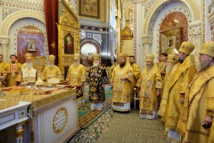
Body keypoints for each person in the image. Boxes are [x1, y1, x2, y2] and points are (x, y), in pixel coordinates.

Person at [175, 42, 214, 143]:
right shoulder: (203, 71)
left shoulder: (212, 73)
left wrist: (209, 114)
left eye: (202, 55)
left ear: (210, 57)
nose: (199, 57)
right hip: (195, 109)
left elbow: (212, 95)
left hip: (203, 111)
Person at [164, 41, 197, 142]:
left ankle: (179, 137)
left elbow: (188, 81)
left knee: (179, 115)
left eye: (179, 53)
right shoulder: (181, 64)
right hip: (175, 95)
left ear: (185, 54)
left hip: (181, 97)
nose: (177, 55)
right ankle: (172, 135)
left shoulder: (190, 64)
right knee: (173, 114)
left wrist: (184, 95)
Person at [136, 54, 162, 119]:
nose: (147, 63)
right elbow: (140, 78)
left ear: (152, 62)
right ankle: (143, 114)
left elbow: (158, 80)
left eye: (149, 62)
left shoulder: (156, 70)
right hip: (143, 90)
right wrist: (138, 87)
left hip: (152, 90)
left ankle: (151, 115)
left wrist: (158, 90)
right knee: (143, 101)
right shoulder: (144, 69)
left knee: (151, 101)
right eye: (146, 62)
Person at [158, 54, 179, 134]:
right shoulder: (170, 69)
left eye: (168, 62)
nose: (166, 64)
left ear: (172, 63)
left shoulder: (174, 70)